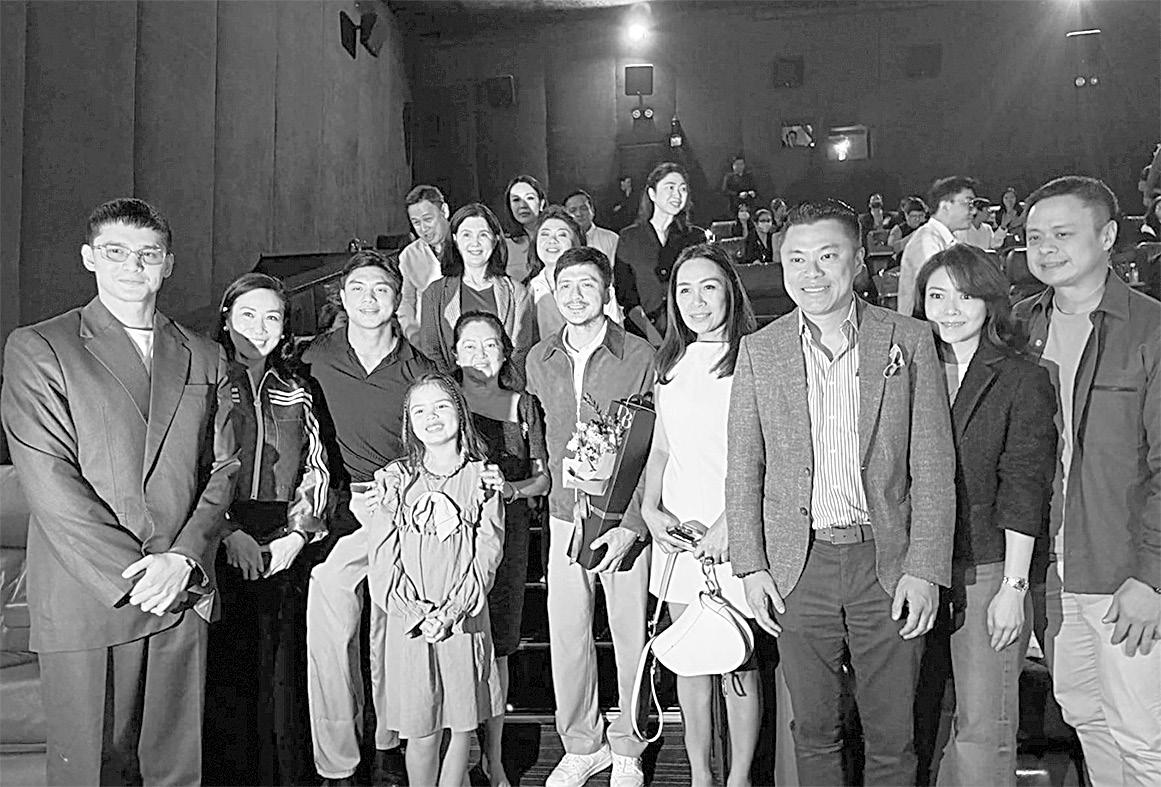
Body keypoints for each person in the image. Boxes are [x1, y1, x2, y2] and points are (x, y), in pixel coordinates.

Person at [0, 198, 240, 785]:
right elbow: (49, 479)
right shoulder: (41, 346)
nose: (133, 266)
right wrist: (139, 576)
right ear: (89, 257)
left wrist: (182, 559)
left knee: (175, 771)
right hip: (92, 594)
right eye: (116, 252)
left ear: (168, 264)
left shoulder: (205, 355)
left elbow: (223, 467)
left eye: (147, 254)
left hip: (180, 591)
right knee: (91, 772)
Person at [726, 199, 956, 786]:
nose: (811, 272)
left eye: (828, 257)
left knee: (893, 738)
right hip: (798, 567)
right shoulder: (760, 349)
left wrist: (925, 569)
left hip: (888, 562)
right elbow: (744, 468)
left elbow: (933, 466)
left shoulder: (908, 339)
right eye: (796, 259)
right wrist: (751, 566)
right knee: (814, 732)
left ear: (857, 262)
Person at [1014, 175, 1161, 786]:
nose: (1045, 248)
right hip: (1051, 570)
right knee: (1083, 714)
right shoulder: (1020, 326)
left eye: (1062, 234)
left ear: (1106, 237)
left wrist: (1152, 577)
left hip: (1123, 570)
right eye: (1033, 237)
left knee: (1144, 735)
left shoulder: (1148, 329)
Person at [910, 246, 1057, 786]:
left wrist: (1013, 587)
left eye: (965, 296)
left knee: (982, 725)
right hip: (911, 567)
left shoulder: (1021, 378)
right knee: (918, 727)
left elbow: (1024, 486)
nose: (950, 309)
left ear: (990, 301)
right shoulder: (906, 370)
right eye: (937, 295)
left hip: (986, 567)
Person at [302, 251, 437, 786]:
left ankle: (390, 741)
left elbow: (436, 444)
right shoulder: (315, 357)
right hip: (339, 511)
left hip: (400, 508)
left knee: (393, 632)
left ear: (397, 299)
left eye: (381, 289)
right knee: (330, 632)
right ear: (342, 296)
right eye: (357, 288)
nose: (369, 298)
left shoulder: (418, 369)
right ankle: (337, 760)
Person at [525, 246, 655, 787]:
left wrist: (635, 523)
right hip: (563, 515)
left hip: (622, 517)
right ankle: (582, 743)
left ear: (607, 292)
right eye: (566, 285)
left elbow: (655, 444)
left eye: (587, 284)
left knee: (630, 635)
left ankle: (629, 745)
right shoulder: (538, 358)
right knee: (568, 634)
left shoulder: (640, 355)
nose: (575, 295)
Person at [641, 243, 765, 787]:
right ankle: (699, 774)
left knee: (738, 659)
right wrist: (650, 509)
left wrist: (730, 524)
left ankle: (739, 777)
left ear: (730, 292)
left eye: (708, 287)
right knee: (690, 659)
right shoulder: (668, 364)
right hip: (677, 535)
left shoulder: (753, 358)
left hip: (734, 532)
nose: (696, 301)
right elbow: (661, 448)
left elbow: (765, 455)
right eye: (684, 290)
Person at [204, 273, 330, 786]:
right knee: (225, 669)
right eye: (248, 315)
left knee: (280, 669)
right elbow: (192, 465)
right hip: (218, 535)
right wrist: (227, 530)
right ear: (226, 319)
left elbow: (317, 468)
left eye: (272, 317)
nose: (259, 328)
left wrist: (297, 535)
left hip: (283, 538)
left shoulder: (297, 390)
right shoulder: (206, 380)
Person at [350, 373, 506, 787]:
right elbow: (382, 559)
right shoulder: (394, 480)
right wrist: (417, 613)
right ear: (409, 423)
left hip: (463, 620)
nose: (431, 417)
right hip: (412, 626)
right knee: (422, 731)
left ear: (460, 412)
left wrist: (453, 611)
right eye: (419, 411)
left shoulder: (483, 480)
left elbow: (487, 555)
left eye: (441, 406)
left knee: (462, 725)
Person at [452, 311, 551, 787]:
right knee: (455, 644)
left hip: (507, 536)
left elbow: (542, 479)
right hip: (450, 538)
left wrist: (511, 489)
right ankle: (453, 758)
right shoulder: (443, 402)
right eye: (469, 346)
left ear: (505, 351)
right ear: (455, 354)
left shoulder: (524, 405)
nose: (480, 355)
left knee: (499, 648)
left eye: (490, 345)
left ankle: (492, 757)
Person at [419, 203, 533, 375]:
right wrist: (452, 386)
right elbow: (431, 351)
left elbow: (521, 351)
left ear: (495, 239)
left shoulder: (516, 292)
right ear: (455, 239)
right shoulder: (435, 293)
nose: (475, 243)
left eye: (483, 235)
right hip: (452, 387)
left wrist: (502, 386)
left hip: (503, 386)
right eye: (467, 235)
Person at [616, 162, 707, 348]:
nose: (677, 195)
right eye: (670, 187)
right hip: (643, 336)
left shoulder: (695, 237)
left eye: (683, 189)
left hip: (688, 334)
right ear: (652, 193)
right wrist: (652, 335)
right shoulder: (629, 237)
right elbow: (625, 293)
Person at [526, 205, 621, 339]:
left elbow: (616, 334)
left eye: (562, 234)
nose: (552, 241)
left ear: (577, 242)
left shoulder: (595, 280)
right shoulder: (531, 289)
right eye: (545, 234)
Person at [898, 176, 979, 315]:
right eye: (968, 203)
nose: (974, 211)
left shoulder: (949, 239)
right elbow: (938, 292)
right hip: (923, 324)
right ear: (945, 205)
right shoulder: (927, 241)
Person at [398, 185, 452, 343]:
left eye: (428, 219)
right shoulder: (409, 255)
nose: (423, 228)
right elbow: (406, 301)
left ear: (444, 211)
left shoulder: (468, 244)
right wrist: (412, 333)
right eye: (416, 223)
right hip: (428, 340)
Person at [503, 175, 546, 284]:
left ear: (541, 203)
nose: (522, 205)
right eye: (516, 200)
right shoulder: (505, 245)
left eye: (529, 198)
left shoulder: (556, 236)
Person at [564, 189, 619, 263]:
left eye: (583, 208)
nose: (579, 214)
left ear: (592, 210)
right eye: (573, 210)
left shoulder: (612, 239)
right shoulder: (561, 240)